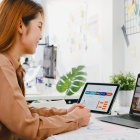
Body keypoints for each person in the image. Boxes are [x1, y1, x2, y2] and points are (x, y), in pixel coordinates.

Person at [0, 0, 91, 140]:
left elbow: (21, 112)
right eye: (39, 26)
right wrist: (74, 119)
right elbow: (27, 128)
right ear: (20, 25)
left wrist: (65, 112)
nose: (41, 36)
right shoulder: (2, 65)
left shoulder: (8, 64)